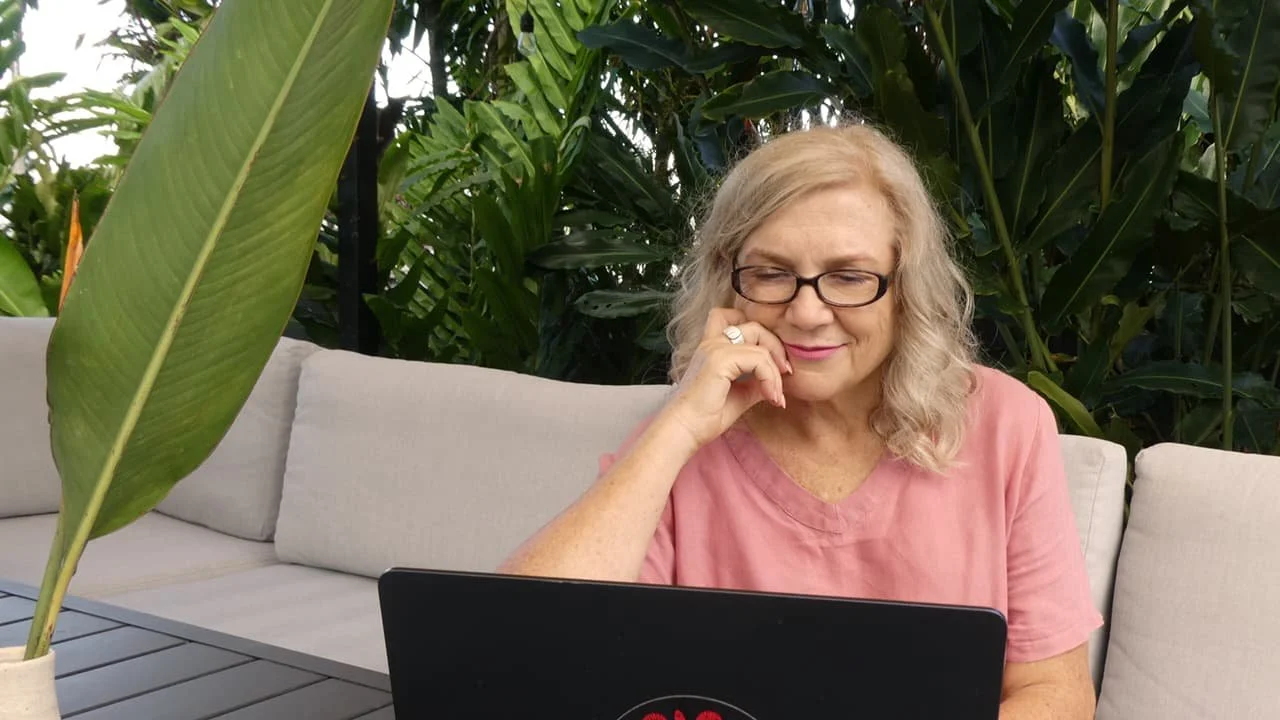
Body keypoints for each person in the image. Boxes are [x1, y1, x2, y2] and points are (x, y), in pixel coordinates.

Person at [500, 122, 1101, 719]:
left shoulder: (1004, 425)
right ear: (728, 283)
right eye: (770, 273)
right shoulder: (687, 434)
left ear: (904, 288)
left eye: (848, 277)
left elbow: (1056, 693)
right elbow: (518, 657)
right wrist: (679, 427)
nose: (808, 312)